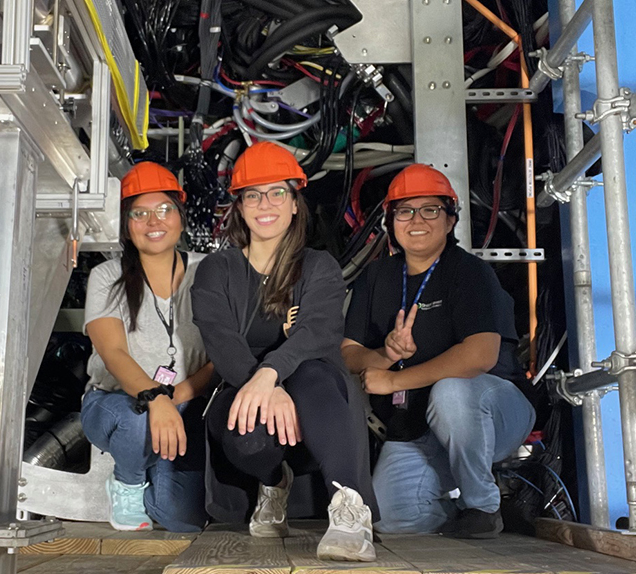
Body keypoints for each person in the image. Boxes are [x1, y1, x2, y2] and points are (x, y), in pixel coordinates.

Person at [191, 141, 378, 562]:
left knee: (313, 376)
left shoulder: (318, 266)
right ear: (239, 207)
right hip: (243, 389)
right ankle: (275, 484)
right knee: (247, 431)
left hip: (316, 403)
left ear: (296, 203)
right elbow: (220, 338)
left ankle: (350, 512)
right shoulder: (215, 270)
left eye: (278, 192)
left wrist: (272, 373)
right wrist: (262, 384)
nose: (265, 204)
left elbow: (318, 331)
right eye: (253, 195)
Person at [342, 164, 536, 539]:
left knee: (451, 392)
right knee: (389, 519)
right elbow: (347, 353)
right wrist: (383, 354)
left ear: (450, 221)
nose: (417, 220)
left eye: (430, 209)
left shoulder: (470, 272)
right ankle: (466, 509)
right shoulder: (376, 277)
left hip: (493, 412)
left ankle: (483, 506)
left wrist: (395, 378)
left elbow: (480, 355)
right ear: (390, 222)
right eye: (405, 211)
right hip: (417, 428)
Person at [81, 161, 213, 532]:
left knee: (181, 518)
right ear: (126, 225)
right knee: (135, 420)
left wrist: (176, 397)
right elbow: (113, 352)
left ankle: (151, 467)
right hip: (115, 405)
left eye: (163, 210)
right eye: (139, 213)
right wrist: (156, 399)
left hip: (187, 404)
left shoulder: (210, 271)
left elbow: (223, 353)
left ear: (180, 217)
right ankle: (127, 481)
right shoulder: (108, 277)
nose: (153, 222)